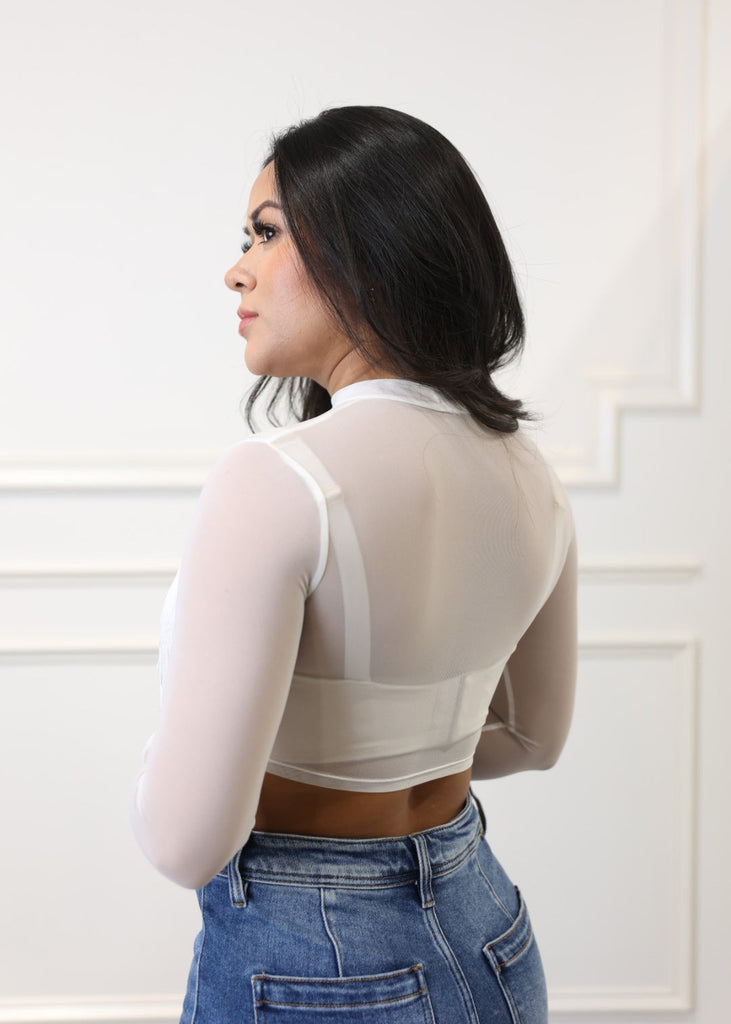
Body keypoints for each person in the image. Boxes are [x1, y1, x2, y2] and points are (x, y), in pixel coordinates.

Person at [131, 105, 577, 1024]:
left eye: (265, 233)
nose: (236, 269)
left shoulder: (277, 480)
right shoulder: (529, 472)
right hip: (487, 929)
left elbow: (184, 843)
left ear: (362, 250)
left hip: (311, 961)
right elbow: (533, 739)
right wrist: (390, 753)